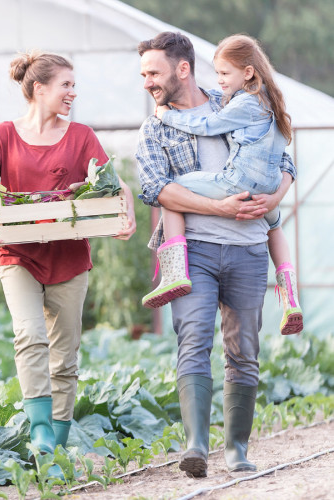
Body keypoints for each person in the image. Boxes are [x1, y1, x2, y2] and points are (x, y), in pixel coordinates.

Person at [136, 32, 297, 477]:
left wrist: (273, 197)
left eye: (153, 73)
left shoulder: (234, 101)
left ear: (181, 69)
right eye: (143, 74)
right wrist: (219, 207)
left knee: (244, 348)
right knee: (193, 341)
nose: (147, 82)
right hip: (195, 249)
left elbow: (284, 160)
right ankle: (196, 447)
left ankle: (238, 450)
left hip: (247, 248)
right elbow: (155, 188)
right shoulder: (155, 127)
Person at [0, 50, 136, 463]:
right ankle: (41, 430)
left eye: (73, 85)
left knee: (65, 355)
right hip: (17, 254)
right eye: (65, 85)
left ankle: (57, 448)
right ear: (39, 88)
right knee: (29, 334)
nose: (72, 93)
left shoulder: (81, 136)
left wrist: (126, 207)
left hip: (69, 258)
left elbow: (113, 185)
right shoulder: (3, 135)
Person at [142, 34, 302, 337]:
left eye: (224, 73)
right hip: (264, 187)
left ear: (248, 72)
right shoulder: (269, 101)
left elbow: (207, 126)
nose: (220, 80)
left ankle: (175, 272)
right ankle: (290, 298)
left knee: (173, 186)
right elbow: (279, 154)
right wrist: (272, 198)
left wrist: (168, 117)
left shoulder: (232, 102)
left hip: (239, 186)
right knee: (276, 226)